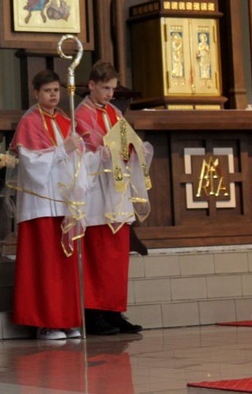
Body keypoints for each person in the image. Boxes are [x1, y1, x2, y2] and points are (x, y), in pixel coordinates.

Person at [6, 69, 88, 340]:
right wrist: (63, 150)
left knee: (64, 264)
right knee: (45, 264)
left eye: (56, 90)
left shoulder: (67, 120)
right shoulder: (29, 122)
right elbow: (31, 165)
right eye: (47, 91)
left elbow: (76, 160)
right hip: (41, 203)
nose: (53, 95)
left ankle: (66, 319)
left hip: (64, 202)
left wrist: (77, 152)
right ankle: (45, 322)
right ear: (36, 93)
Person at [75, 61, 152, 335]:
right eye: (105, 88)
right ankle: (94, 313)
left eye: (113, 89)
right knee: (98, 255)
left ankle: (114, 310)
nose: (109, 94)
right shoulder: (80, 115)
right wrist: (99, 156)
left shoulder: (114, 112)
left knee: (117, 257)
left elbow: (125, 142)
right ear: (92, 85)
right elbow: (78, 158)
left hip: (117, 194)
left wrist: (135, 149)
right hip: (96, 194)